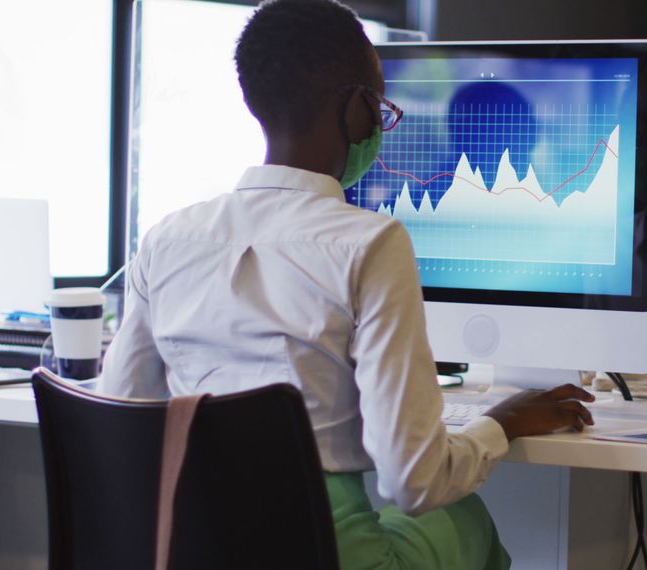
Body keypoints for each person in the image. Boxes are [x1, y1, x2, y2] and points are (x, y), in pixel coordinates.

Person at [98, 0, 595, 567]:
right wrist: (499, 424)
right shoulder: (370, 244)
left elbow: (121, 419)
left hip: (192, 548)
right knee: (463, 518)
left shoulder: (166, 240)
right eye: (380, 107)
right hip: (327, 556)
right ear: (357, 107)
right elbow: (414, 482)